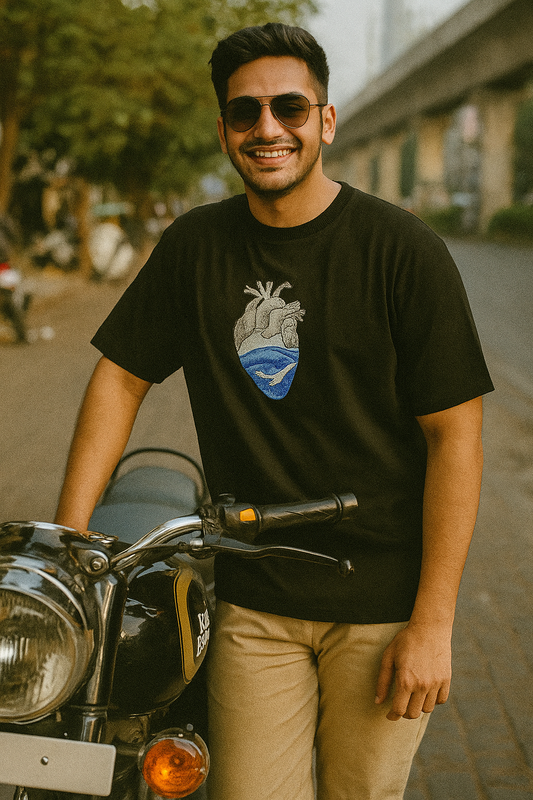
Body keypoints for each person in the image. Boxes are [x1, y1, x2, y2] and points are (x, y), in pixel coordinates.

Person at [55, 22, 494, 800]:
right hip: (254, 603)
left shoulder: (402, 251)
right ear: (224, 128)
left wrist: (432, 624)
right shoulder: (195, 248)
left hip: (381, 604)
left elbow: (453, 434)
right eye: (244, 112)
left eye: (289, 108)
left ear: (325, 120)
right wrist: (72, 548)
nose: (267, 128)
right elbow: (119, 378)